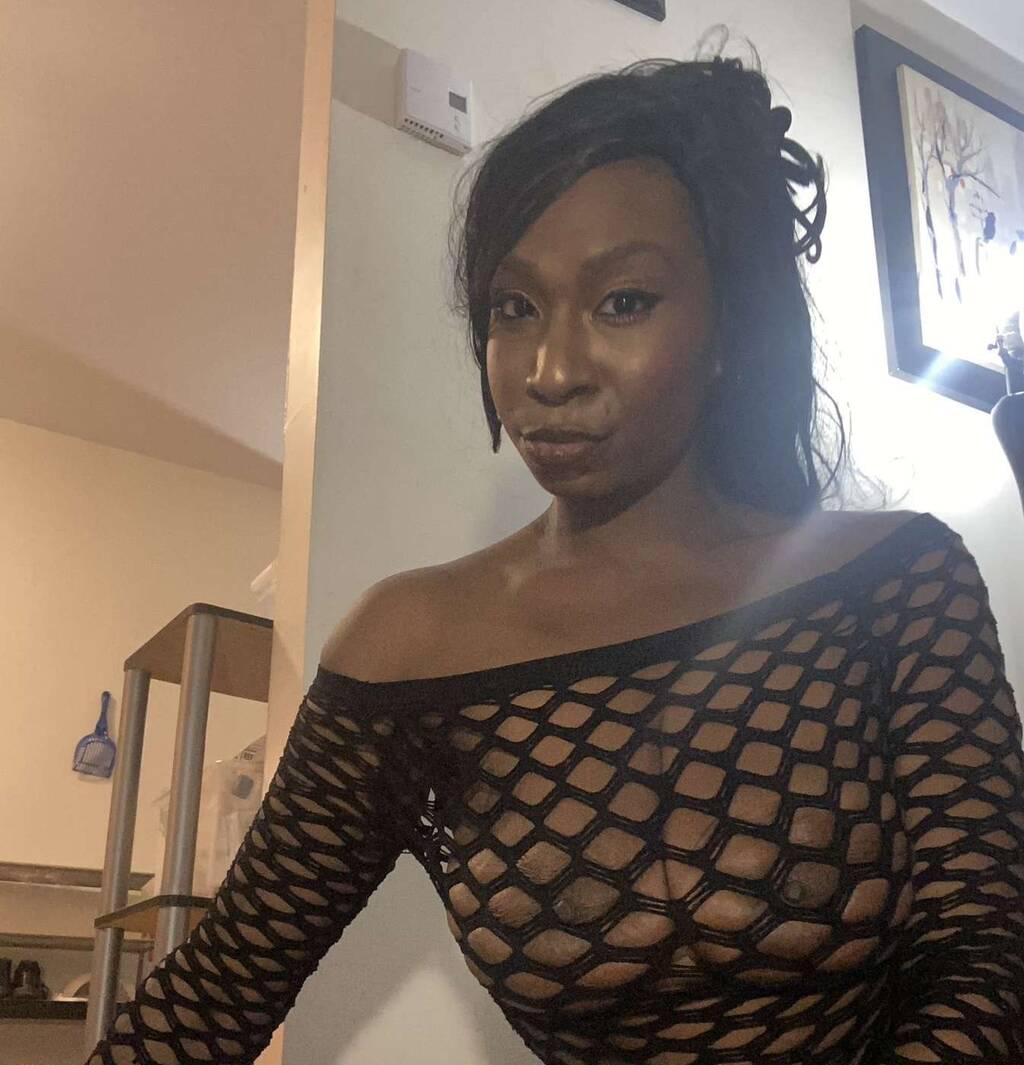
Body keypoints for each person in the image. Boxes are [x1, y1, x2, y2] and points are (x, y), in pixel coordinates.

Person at [85, 53, 1023, 1065]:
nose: (551, 371)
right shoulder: (410, 646)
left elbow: (988, 963)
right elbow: (216, 991)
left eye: (623, 301)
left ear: (729, 324)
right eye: (514, 308)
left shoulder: (895, 586)